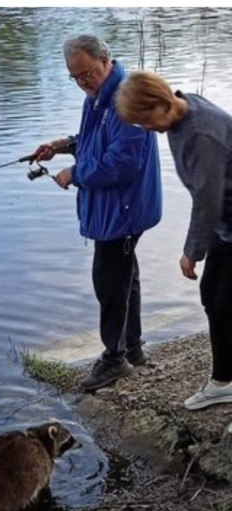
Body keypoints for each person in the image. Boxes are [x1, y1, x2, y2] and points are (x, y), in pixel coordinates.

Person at [29, 35, 162, 392]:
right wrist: (63, 146)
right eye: (75, 77)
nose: (82, 82)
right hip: (116, 207)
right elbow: (97, 141)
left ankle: (115, 359)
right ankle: (132, 349)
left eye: (87, 73)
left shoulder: (126, 98)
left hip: (124, 207)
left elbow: (121, 163)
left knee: (109, 280)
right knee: (124, 275)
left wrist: (75, 174)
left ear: (105, 59)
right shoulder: (99, 95)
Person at [117, 71, 232, 414]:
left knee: (228, 305)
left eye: (144, 120)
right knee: (213, 297)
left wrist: (191, 252)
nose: (145, 128)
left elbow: (207, 201)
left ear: (159, 103)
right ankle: (223, 382)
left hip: (223, 216)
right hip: (226, 224)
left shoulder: (201, 133)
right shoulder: (181, 110)